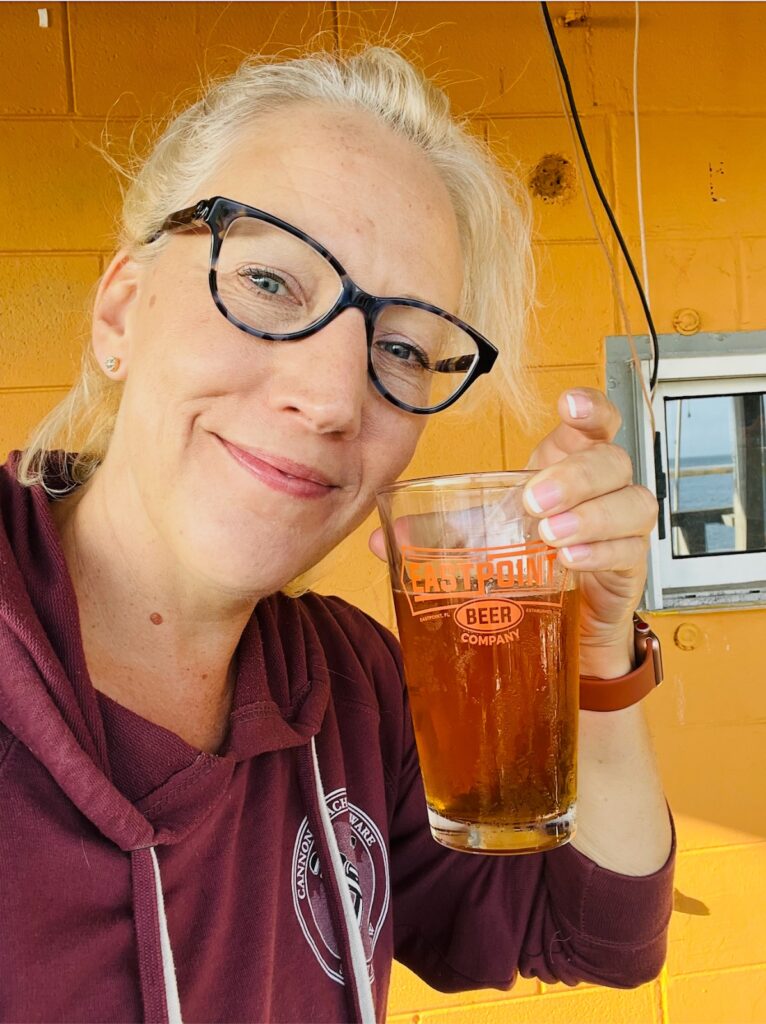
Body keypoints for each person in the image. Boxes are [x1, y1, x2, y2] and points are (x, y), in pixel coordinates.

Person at [0, 46, 674, 1024]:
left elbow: (594, 935)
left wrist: (598, 655)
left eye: (401, 346)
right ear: (122, 310)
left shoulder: (351, 691)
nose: (328, 398)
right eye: (271, 282)